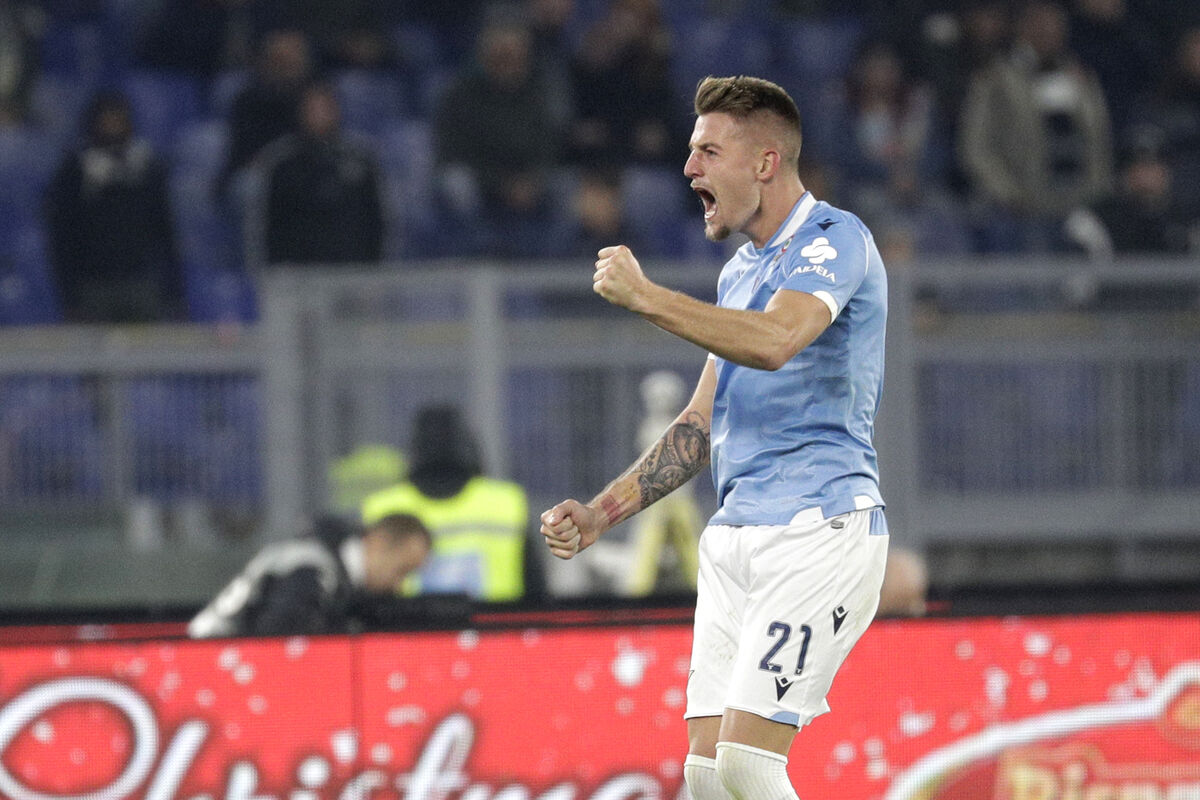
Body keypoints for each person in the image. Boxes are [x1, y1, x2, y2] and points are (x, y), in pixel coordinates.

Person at [541, 76, 889, 800]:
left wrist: (646, 297)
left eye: (708, 152)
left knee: (746, 765)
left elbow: (777, 341)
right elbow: (700, 425)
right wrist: (601, 514)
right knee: (706, 776)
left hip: (816, 528)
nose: (689, 168)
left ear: (764, 163)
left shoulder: (836, 240)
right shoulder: (740, 273)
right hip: (735, 537)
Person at [362, 405, 534, 603]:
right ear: (469, 446)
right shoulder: (505, 504)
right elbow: (536, 591)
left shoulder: (382, 506)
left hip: (403, 623)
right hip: (495, 622)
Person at [43, 89, 183, 323]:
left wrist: (173, 290)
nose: (112, 125)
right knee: (93, 347)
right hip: (93, 284)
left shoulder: (147, 166)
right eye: (106, 119)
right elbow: (62, 235)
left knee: (149, 345)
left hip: (140, 280)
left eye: (118, 118)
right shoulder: (74, 170)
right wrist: (70, 296)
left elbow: (164, 230)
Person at [188, 513, 431, 638]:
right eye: (402, 570)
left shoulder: (327, 568)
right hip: (210, 664)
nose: (399, 585)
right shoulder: (312, 570)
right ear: (378, 542)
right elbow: (276, 645)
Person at [261, 81, 384, 266]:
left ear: (336, 110)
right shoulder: (281, 162)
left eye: (324, 108)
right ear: (300, 113)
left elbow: (380, 219)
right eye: (311, 109)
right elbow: (265, 224)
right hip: (297, 272)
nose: (318, 115)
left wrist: (377, 269)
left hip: (355, 270)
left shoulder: (361, 157)